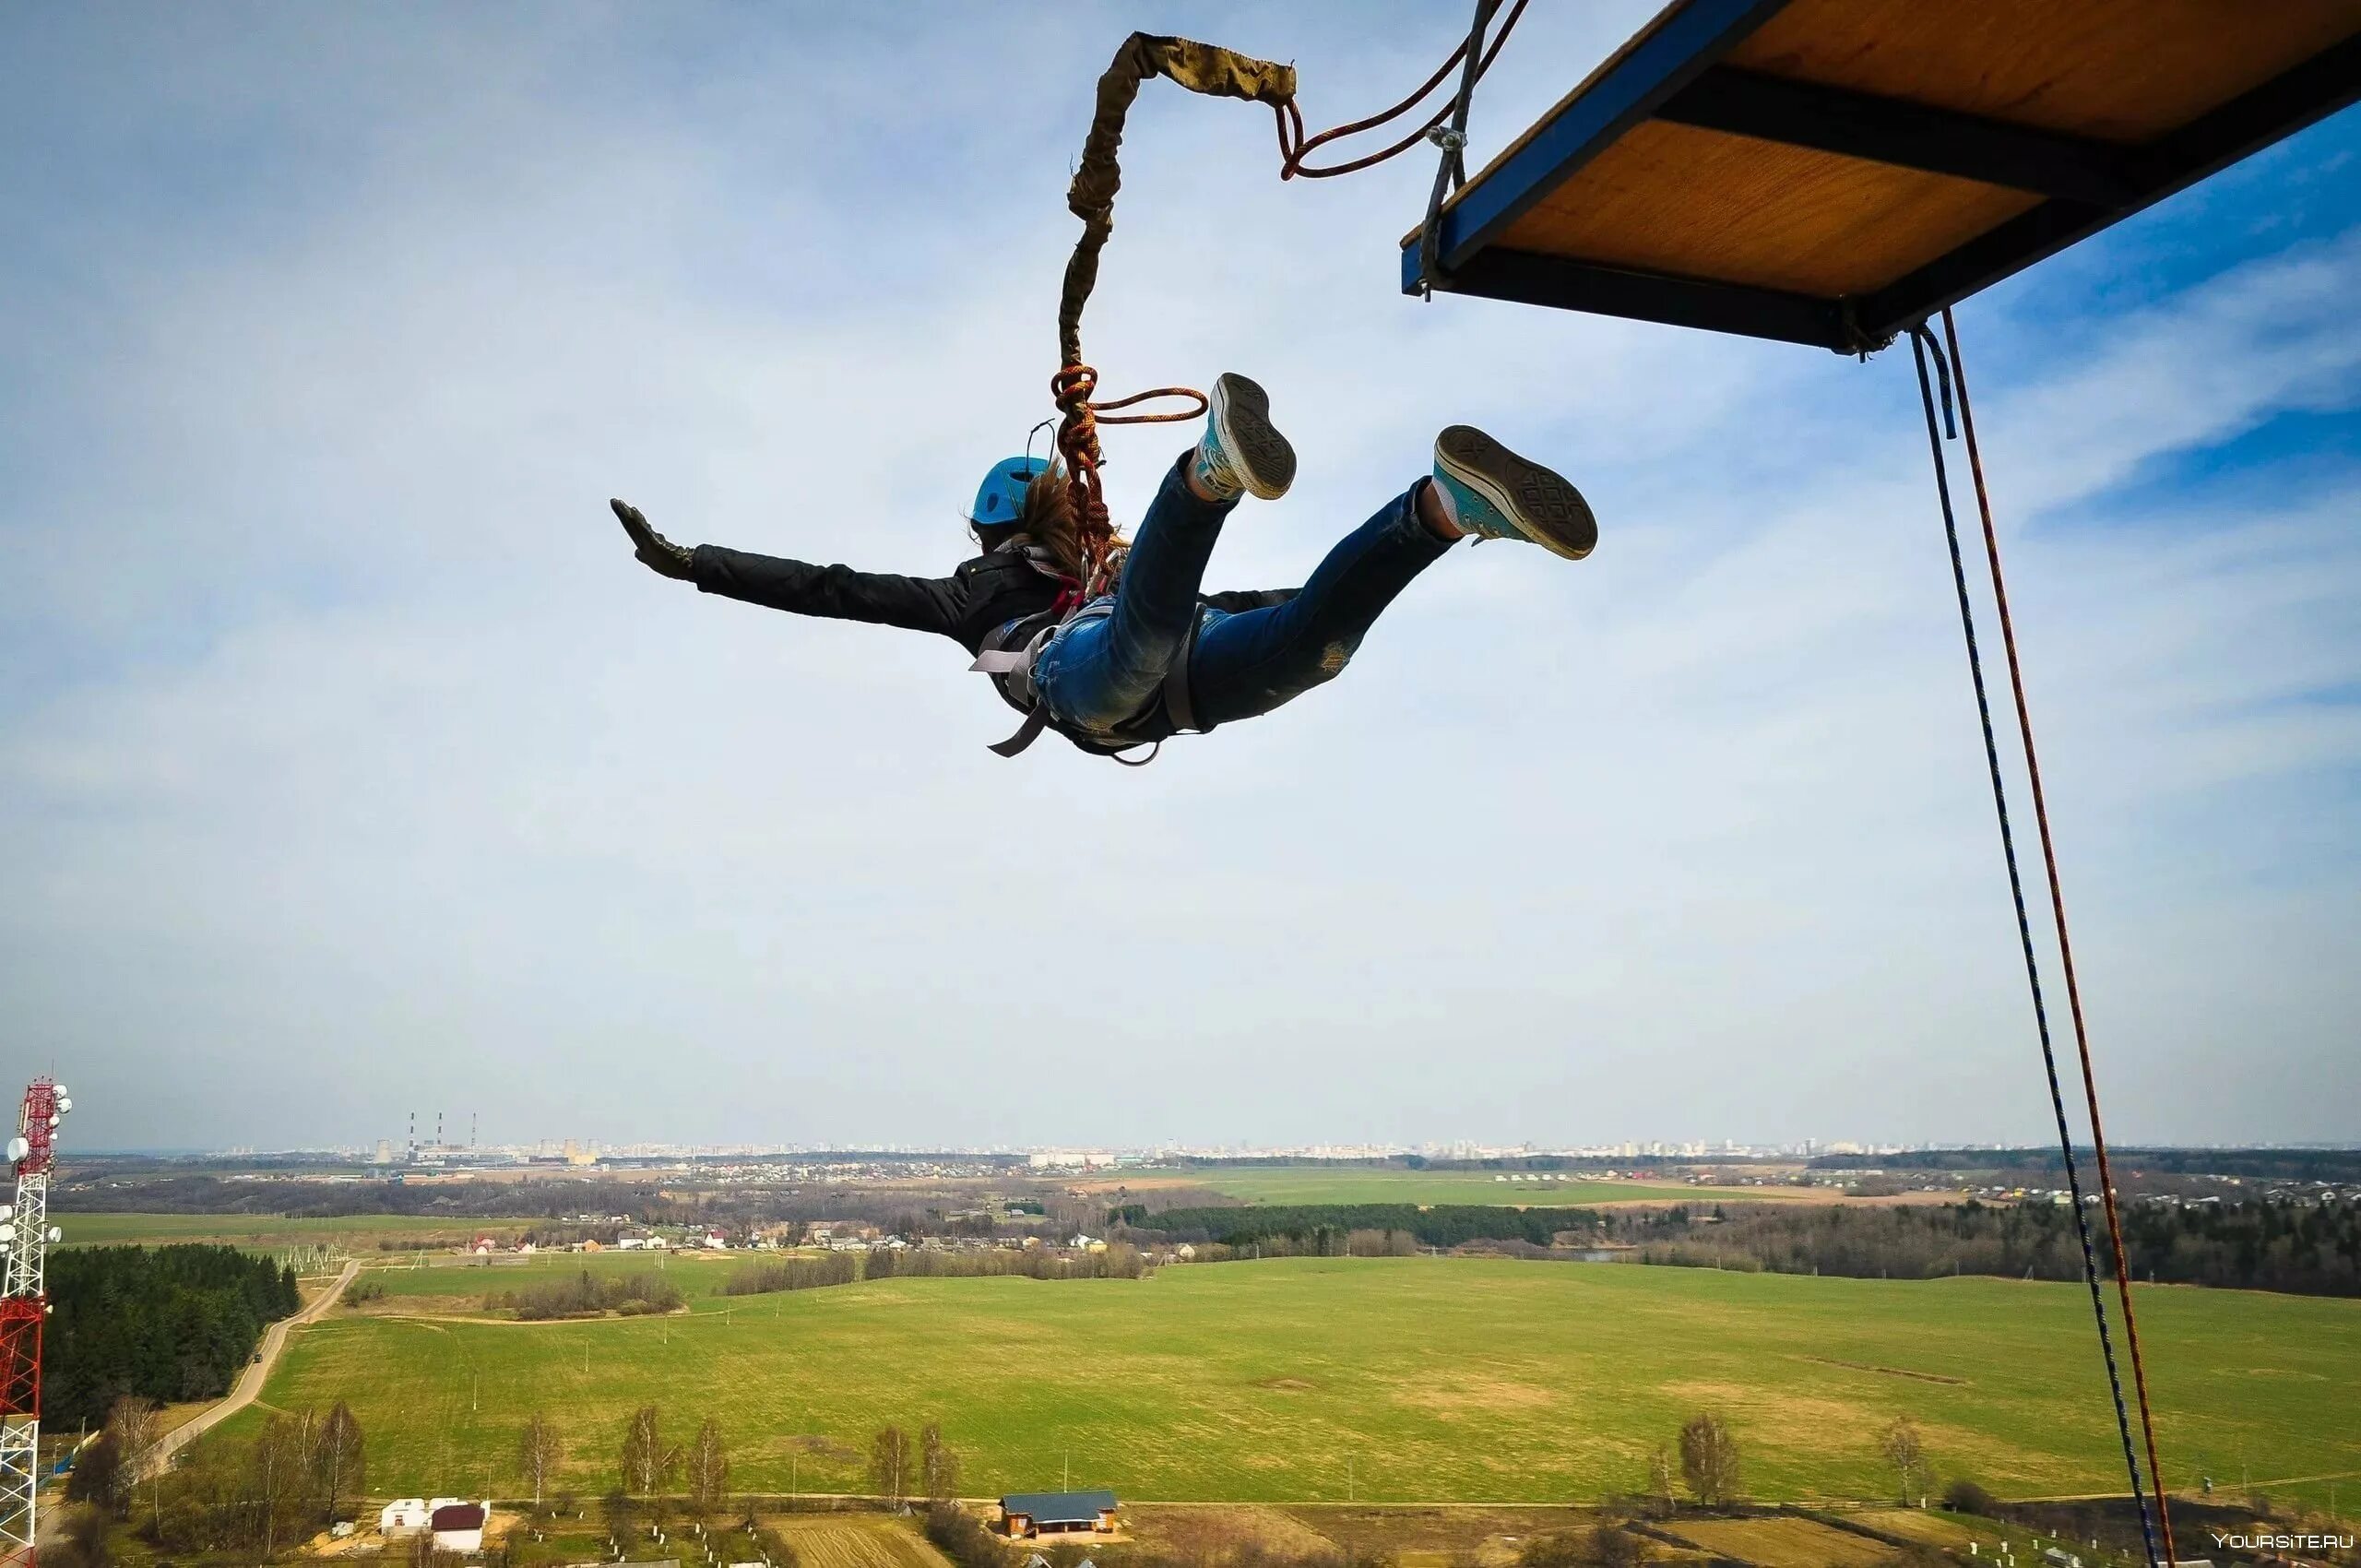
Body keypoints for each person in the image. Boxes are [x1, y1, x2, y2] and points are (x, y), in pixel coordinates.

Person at [610, 374, 1595, 759]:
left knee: (1312, 650)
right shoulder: (978, 596)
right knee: (1157, 624)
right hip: (1122, 681)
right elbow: (827, 588)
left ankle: (1438, 508)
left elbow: (1211, 602)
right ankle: (1218, 477)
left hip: (1137, 669)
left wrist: (1316, 597)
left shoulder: (1099, 575)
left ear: (991, 522)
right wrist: (693, 561)